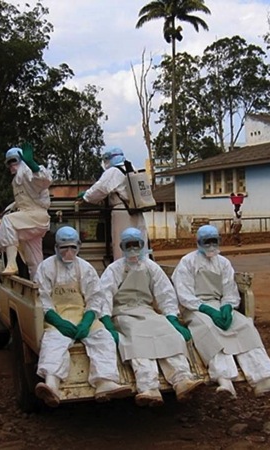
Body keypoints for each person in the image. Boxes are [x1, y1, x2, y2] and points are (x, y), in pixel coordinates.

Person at [172, 225, 270, 398]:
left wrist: (227, 306)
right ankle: (224, 379)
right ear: (198, 242)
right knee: (209, 330)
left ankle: (263, 378)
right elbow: (184, 294)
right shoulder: (187, 262)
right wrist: (207, 310)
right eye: (207, 241)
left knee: (244, 326)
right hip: (195, 308)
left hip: (219, 304)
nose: (211, 245)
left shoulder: (224, 263)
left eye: (214, 241)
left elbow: (229, 290)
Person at [99, 227, 203, 407]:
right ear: (122, 246)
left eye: (136, 245)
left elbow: (165, 292)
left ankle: (182, 379)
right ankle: (148, 387)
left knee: (168, 334)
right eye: (128, 245)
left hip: (147, 311)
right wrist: (107, 321)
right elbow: (104, 294)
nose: (132, 249)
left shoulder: (150, 267)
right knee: (137, 340)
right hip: (123, 313)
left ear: (142, 245)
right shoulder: (114, 269)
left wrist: (171, 318)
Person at [33, 226, 132, 407]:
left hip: (82, 315)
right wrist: (57, 321)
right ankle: (52, 384)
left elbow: (95, 297)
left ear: (79, 246)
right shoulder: (45, 268)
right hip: (58, 317)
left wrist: (87, 321)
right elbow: (43, 299)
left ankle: (104, 381)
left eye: (72, 247)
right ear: (56, 247)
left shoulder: (85, 268)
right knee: (53, 341)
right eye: (64, 248)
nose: (68, 252)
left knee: (104, 338)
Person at [78, 148, 148, 260]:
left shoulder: (113, 171)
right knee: (139, 244)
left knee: (122, 243)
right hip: (136, 210)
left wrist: (86, 195)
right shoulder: (131, 168)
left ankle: (122, 271)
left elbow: (99, 189)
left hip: (122, 211)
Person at [0, 143, 52, 279]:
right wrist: (14, 205)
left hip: (35, 215)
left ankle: (11, 263)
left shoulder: (27, 171)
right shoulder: (17, 179)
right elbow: (29, 196)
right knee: (34, 260)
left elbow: (45, 180)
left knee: (8, 222)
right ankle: (38, 286)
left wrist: (33, 165)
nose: (11, 165)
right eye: (8, 163)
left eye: (13, 161)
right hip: (30, 219)